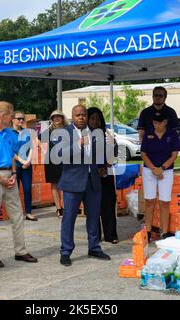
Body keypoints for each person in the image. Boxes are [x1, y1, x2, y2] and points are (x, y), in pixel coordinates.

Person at [0, 101, 38, 268]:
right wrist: (1, 178)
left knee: (17, 214)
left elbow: (12, 155)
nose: (13, 118)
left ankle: (21, 251)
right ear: (2, 115)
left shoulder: (11, 134)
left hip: (9, 175)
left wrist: (13, 173)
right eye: (11, 115)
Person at [57, 105, 111, 266]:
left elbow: (102, 155)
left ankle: (94, 247)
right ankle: (66, 251)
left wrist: (109, 146)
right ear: (72, 117)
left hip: (92, 180)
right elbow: (60, 155)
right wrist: (78, 144)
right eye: (77, 115)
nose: (81, 117)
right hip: (73, 182)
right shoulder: (64, 133)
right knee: (69, 218)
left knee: (94, 217)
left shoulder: (95, 132)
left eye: (83, 115)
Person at [141, 113, 180, 241]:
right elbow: (143, 154)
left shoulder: (172, 134)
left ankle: (164, 232)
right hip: (149, 170)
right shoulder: (148, 133)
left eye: (160, 123)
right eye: (155, 123)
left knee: (164, 201)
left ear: (165, 122)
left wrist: (161, 168)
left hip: (166, 170)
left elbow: (174, 154)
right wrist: (154, 169)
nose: (158, 125)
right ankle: (148, 231)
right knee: (149, 201)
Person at [87, 107, 119, 244]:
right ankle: (96, 236)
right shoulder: (84, 136)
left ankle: (111, 235)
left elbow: (117, 152)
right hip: (91, 176)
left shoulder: (107, 135)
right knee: (93, 207)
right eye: (92, 118)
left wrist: (107, 165)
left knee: (108, 205)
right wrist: (96, 169)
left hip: (107, 175)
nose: (95, 121)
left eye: (98, 118)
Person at [39, 110, 68, 218]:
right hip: (52, 161)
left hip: (66, 161)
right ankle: (59, 209)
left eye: (58, 116)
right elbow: (37, 140)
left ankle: (67, 207)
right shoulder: (49, 131)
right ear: (52, 119)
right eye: (54, 117)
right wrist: (44, 151)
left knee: (66, 184)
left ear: (62, 118)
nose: (56, 118)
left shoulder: (68, 130)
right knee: (55, 184)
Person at [12, 111, 37, 221]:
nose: (21, 120)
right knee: (15, 191)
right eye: (19, 118)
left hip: (27, 165)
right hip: (15, 166)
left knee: (27, 189)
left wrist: (28, 161)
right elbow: (11, 151)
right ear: (13, 119)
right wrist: (22, 161)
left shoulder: (27, 132)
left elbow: (32, 147)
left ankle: (28, 212)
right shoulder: (9, 133)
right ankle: (16, 214)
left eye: (22, 119)